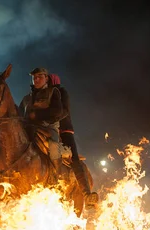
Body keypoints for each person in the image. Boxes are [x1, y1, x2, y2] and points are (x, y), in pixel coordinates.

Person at [48, 73, 96, 205]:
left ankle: (86, 194)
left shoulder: (61, 93)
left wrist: (52, 119)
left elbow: (63, 112)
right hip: (45, 129)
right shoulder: (40, 95)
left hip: (64, 130)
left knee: (74, 158)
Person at [18, 67, 63, 175]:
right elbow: (19, 114)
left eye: (39, 77)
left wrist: (37, 115)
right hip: (29, 127)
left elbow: (58, 111)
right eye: (34, 77)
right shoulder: (27, 98)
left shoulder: (52, 92)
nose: (36, 79)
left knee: (53, 147)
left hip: (48, 127)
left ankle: (58, 175)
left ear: (46, 78)